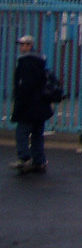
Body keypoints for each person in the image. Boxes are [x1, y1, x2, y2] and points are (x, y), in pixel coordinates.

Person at [9, 35, 53, 174]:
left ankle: (24, 158)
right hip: (41, 106)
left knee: (21, 133)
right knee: (37, 135)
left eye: (23, 44)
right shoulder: (40, 62)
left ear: (29, 45)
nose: (21, 47)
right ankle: (39, 161)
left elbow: (24, 87)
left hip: (28, 106)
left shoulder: (25, 63)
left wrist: (18, 104)